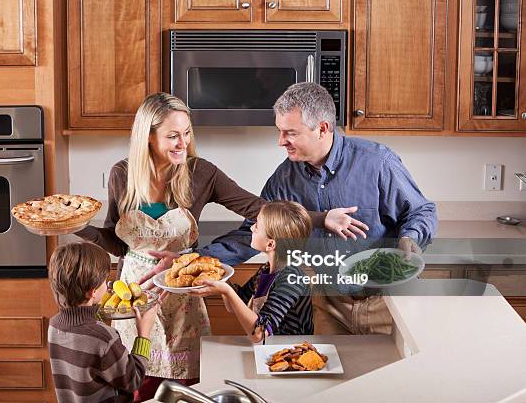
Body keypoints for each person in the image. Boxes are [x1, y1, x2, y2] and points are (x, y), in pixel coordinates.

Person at [75, 92, 365, 400]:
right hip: (136, 296)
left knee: (185, 390)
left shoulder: (201, 173)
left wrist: (321, 219)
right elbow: (117, 244)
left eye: (186, 133)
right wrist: (79, 228)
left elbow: (262, 210)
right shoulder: (122, 175)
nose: (182, 143)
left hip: (183, 293)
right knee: (135, 382)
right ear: (148, 136)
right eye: (173, 136)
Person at [147, 83, 438, 335]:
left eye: (290, 133)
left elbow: (421, 211)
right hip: (327, 304)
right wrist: (189, 260)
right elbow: (251, 234)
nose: (280, 141)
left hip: (386, 303)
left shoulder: (377, 162)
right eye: (279, 131)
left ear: (322, 128)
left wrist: (408, 240)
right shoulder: (284, 179)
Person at [47, 242, 158, 403]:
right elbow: (133, 379)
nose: (108, 285)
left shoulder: (54, 325)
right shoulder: (104, 338)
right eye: (105, 282)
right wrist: (144, 334)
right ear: (92, 292)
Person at [191, 201, 314, 343]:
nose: (251, 229)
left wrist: (226, 290)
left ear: (270, 244)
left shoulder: (291, 278)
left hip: (292, 355)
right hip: (269, 351)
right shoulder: (266, 270)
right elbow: (236, 303)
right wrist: (221, 275)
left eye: (257, 226)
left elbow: (259, 334)